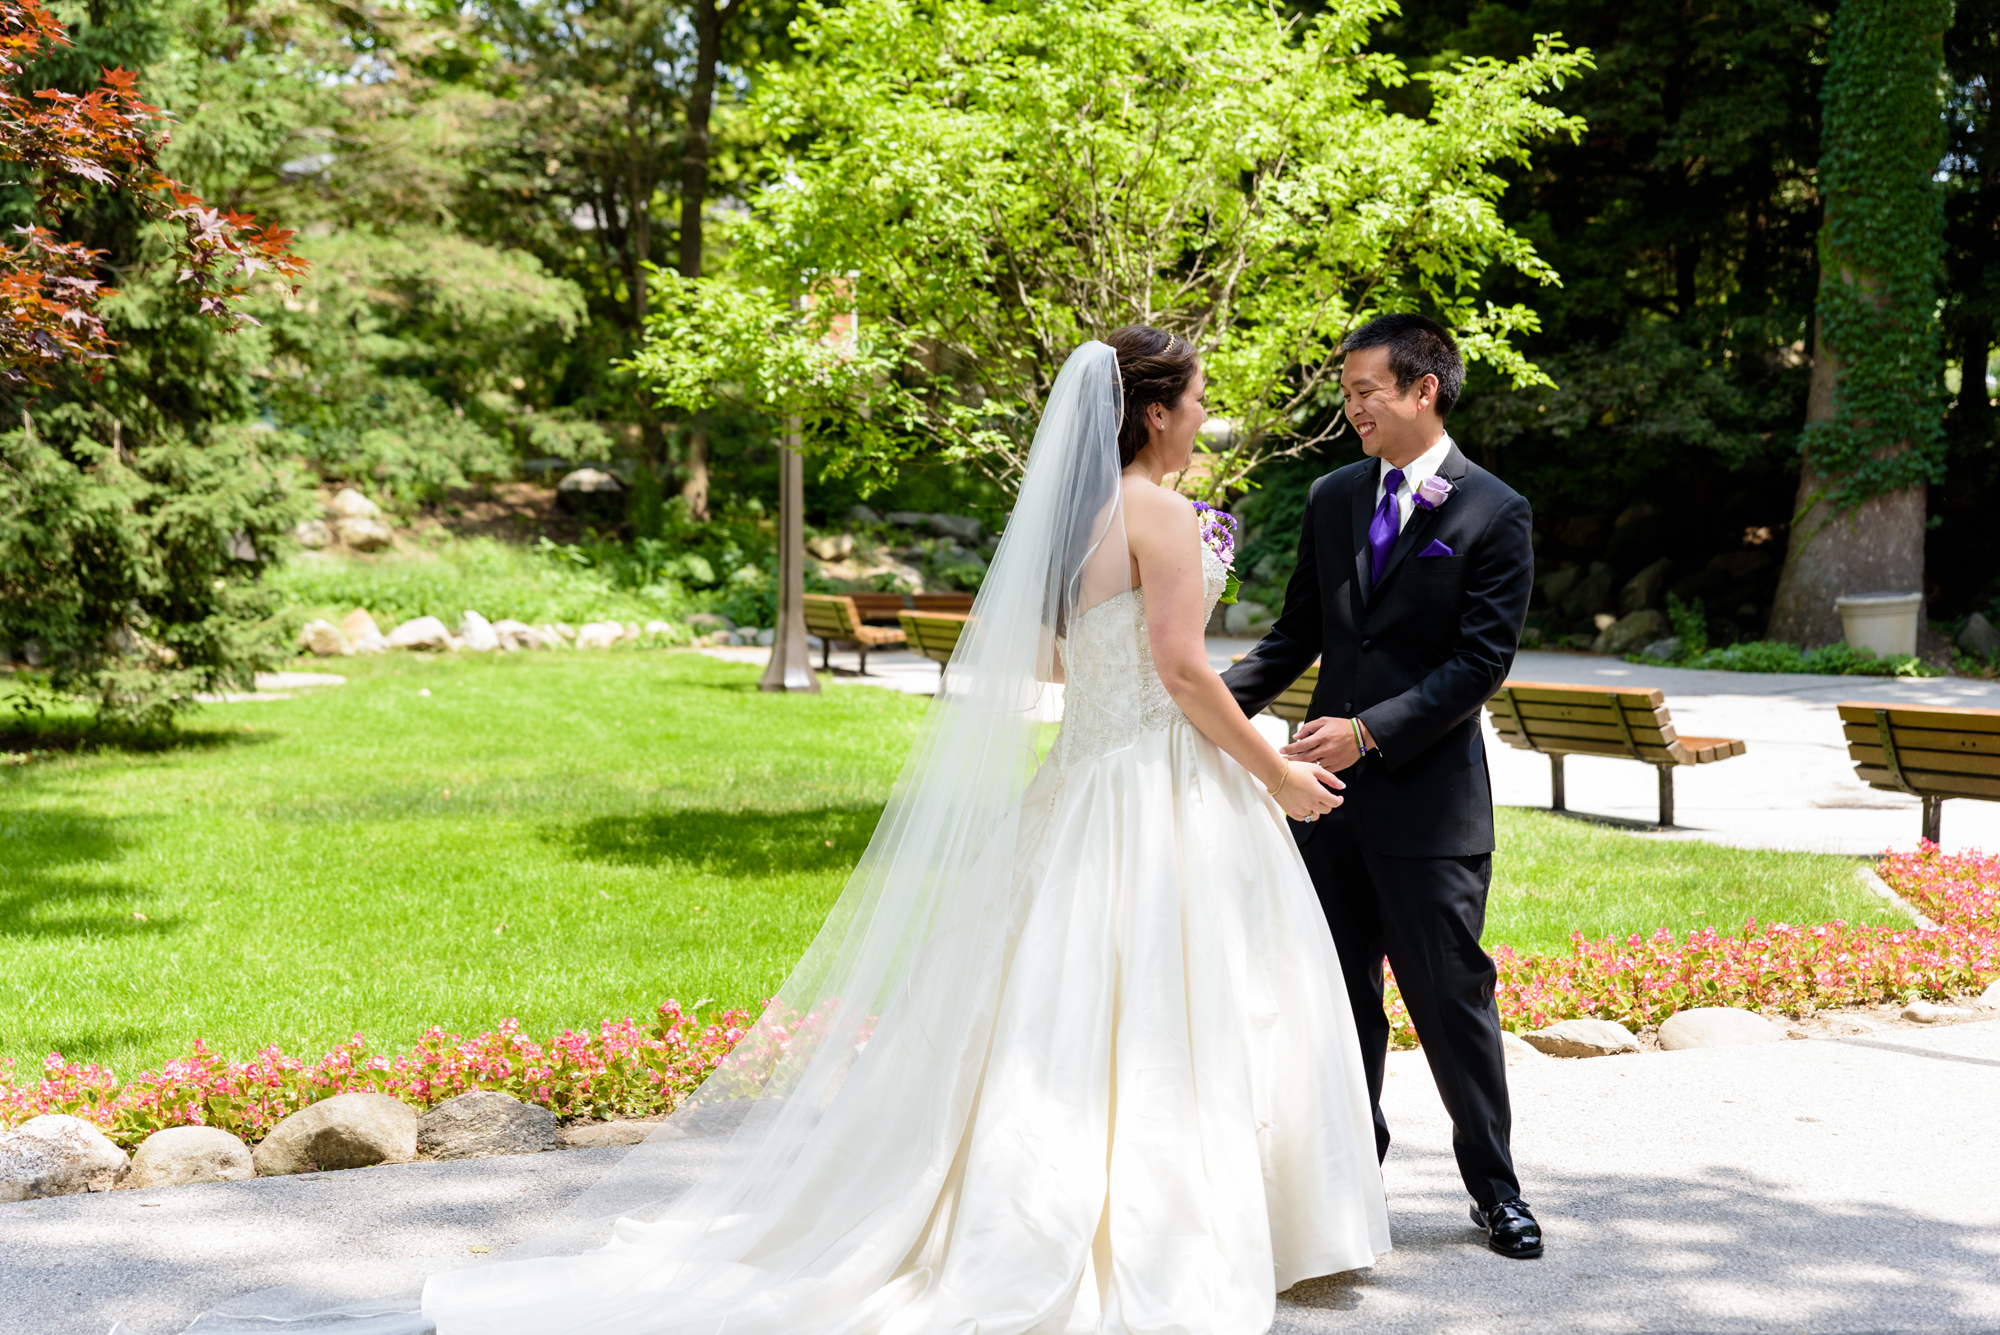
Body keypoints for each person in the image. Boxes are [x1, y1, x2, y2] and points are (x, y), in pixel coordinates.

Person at [166, 332, 1388, 1335]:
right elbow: (1180, 672)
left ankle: (1029, 1205)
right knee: (1172, 1002)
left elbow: (1050, 655)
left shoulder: (1070, 523)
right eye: (1195, 400)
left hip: (1080, 783)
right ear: (1155, 414)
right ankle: (1181, 1232)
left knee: (1059, 1009)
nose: (1203, 416)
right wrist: (1272, 773)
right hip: (1154, 788)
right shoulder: (1163, 518)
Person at [1222, 313, 1542, 1260]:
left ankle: (1497, 1188)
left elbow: (1480, 662)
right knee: (1338, 998)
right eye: (1348, 390)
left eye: (1365, 391)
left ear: (1422, 391)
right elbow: (1296, 639)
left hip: (1429, 806)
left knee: (1450, 998)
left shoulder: (1494, 509)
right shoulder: (1330, 497)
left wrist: (1369, 732)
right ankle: (1349, 1179)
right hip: (1321, 804)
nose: (1350, 406)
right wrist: (1194, 705)